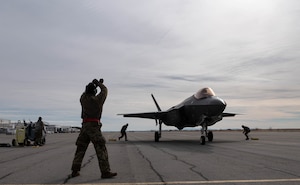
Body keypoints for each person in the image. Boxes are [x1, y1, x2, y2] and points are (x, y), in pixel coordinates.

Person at [71, 78, 117, 179]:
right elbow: (104, 90)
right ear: (94, 92)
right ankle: (105, 172)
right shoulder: (97, 100)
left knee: (80, 149)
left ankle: (75, 171)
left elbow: (86, 92)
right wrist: (99, 83)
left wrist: (93, 85)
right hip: (94, 127)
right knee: (101, 149)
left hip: (84, 127)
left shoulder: (83, 99)